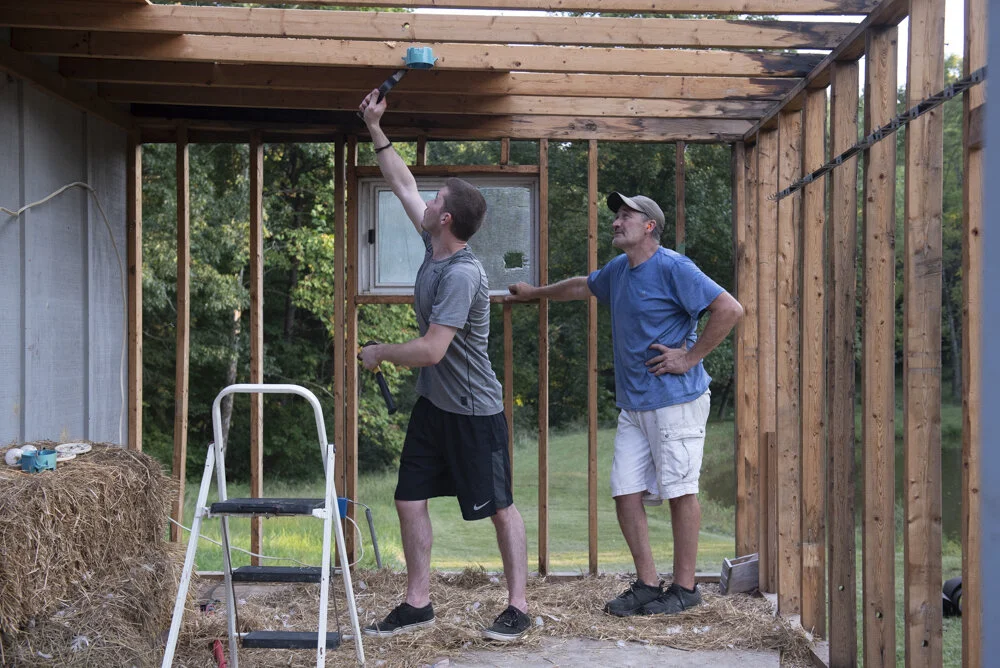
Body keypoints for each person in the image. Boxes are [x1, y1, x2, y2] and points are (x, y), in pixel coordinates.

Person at [507, 192, 742, 617]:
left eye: (624, 216)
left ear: (649, 225)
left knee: (680, 491)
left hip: (676, 401)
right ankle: (649, 583)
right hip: (635, 404)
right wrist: (535, 292)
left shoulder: (674, 267)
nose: (615, 222)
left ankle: (686, 588)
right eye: (616, 216)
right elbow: (582, 285)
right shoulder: (619, 271)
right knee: (625, 492)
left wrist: (688, 357)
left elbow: (729, 308)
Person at [357, 89, 530, 641]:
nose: (424, 201)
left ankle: (520, 605)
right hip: (434, 406)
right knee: (408, 497)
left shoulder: (461, 274)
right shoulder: (435, 244)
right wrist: (375, 128)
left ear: (447, 216)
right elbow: (402, 183)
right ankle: (418, 602)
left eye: (435, 199)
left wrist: (381, 352)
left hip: (475, 412)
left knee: (499, 506)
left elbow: (433, 349)